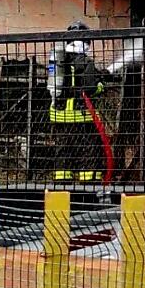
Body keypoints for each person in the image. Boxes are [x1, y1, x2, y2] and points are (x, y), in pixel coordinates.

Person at [47, 21, 109, 184]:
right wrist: (101, 86)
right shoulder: (86, 61)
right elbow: (89, 88)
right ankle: (89, 182)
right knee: (88, 148)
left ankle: (62, 182)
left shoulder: (60, 59)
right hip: (81, 115)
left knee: (63, 148)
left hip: (60, 114)